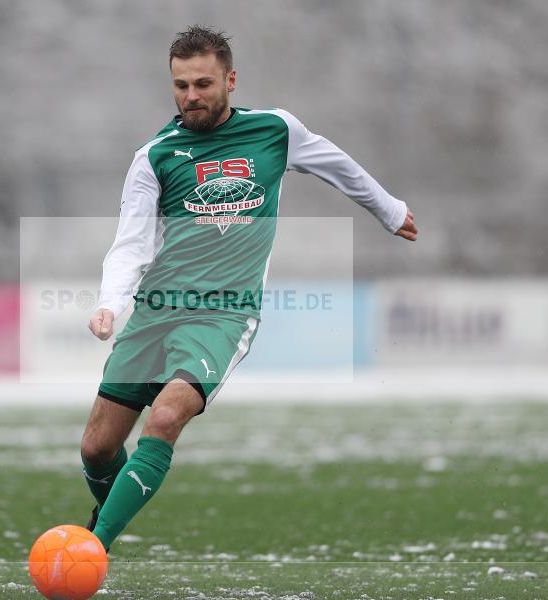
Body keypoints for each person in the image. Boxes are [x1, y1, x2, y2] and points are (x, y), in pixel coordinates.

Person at [79, 25, 418, 552]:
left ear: (230, 80)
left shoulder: (275, 130)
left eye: (203, 84)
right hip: (157, 309)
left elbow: (338, 166)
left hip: (224, 314)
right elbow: (131, 243)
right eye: (181, 85)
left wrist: (389, 209)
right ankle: (107, 515)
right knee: (98, 448)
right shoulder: (154, 157)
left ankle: (92, 547)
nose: (191, 96)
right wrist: (109, 303)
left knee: (166, 416)